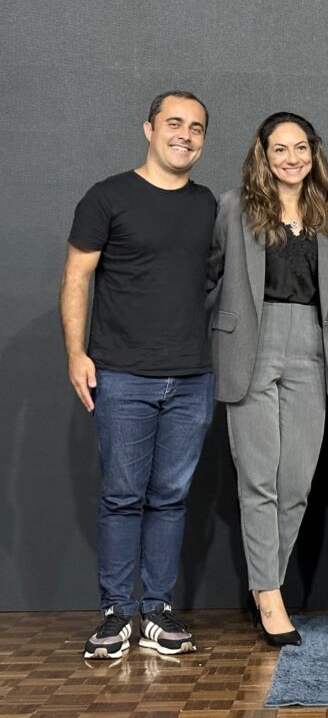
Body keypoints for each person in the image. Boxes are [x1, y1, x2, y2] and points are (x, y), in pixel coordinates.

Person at [60, 91, 216, 659]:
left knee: (171, 498)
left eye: (197, 128)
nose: (185, 134)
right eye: (174, 123)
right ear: (148, 127)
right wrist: (77, 353)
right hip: (122, 374)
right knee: (123, 496)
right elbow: (77, 276)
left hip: (193, 377)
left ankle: (156, 610)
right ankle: (115, 614)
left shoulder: (207, 206)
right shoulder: (108, 197)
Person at [207, 112, 328, 647]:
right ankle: (270, 596)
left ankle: (268, 582)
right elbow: (209, 277)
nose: (292, 158)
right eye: (281, 149)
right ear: (262, 155)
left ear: (314, 153)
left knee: (296, 485)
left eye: (302, 148)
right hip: (252, 347)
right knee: (259, 480)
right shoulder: (233, 208)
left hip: (312, 350)